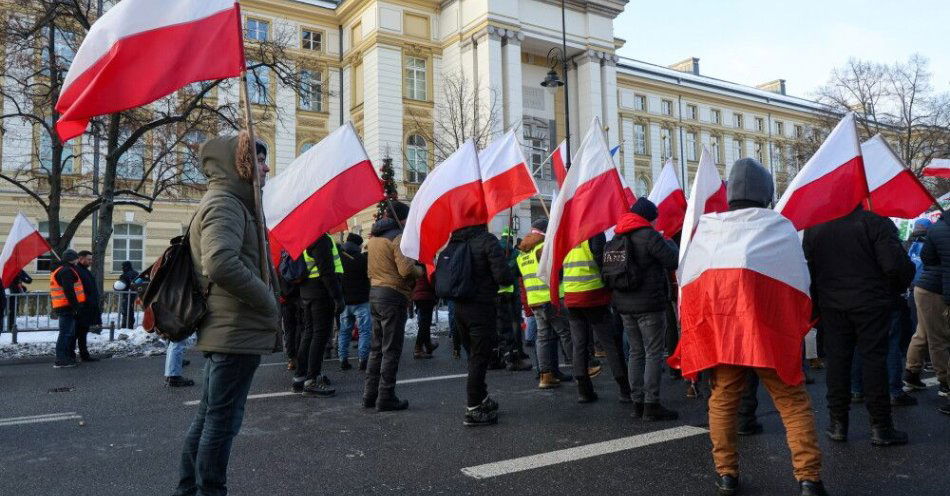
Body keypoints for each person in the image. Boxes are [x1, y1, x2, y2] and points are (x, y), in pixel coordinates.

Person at [670, 158, 826, 496]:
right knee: (792, 401)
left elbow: (688, 283)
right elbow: (800, 280)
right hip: (768, 334)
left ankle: (726, 474)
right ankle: (809, 479)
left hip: (722, 335)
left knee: (723, 400)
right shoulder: (779, 227)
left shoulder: (708, 230)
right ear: (766, 193)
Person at [173, 136, 279, 496]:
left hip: (232, 329)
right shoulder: (226, 203)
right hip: (235, 329)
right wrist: (267, 299)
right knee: (221, 423)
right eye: (260, 160)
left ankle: (189, 489)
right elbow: (219, 262)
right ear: (242, 166)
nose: (266, 168)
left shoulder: (232, 202)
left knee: (209, 418)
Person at [804, 204, 915, 447]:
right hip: (871, 303)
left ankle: (838, 424)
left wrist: (816, 306)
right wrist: (893, 290)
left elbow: (808, 271)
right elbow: (896, 265)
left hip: (832, 304)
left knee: (838, 363)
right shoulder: (875, 222)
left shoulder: (815, 228)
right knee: (874, 361)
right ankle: (880, 427)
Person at [610, 197, 680, 421]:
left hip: (624, 305)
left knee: (635, 352)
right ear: (648, 218)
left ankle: (637, 402)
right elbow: (673, 260)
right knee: (653, 353)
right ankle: (652, 403)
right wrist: (665, 239)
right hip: (649, 304)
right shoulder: (649, 235)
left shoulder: (616, 237)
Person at [449, 223, 514, 426]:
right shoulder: (487, 240)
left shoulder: (454, 243)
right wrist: (507, 266)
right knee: (480, 357)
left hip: (459, 307)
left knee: (473, 355)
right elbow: (503, 277)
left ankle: (482, 397)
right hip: (481, 306)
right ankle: (474, 407)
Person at [362, 201, 421, 411]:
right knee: (391, 349)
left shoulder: (375, 238)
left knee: (376, 348)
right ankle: (386, 396)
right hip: (393, 295)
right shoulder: (397, 236)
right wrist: (420, 270)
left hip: (375, 293)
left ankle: (370, 395)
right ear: (402, 218)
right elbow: (405, 270)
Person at [563, 233, 629, 403]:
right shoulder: (592, 232)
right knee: (610, 343)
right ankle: (624, 389)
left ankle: (583, 390)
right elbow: (602, 262)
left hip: (571, 294)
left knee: (579, 344)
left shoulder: (564, 233)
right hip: (593, 293)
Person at [516, 218, 574, 389]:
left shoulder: (522, 253)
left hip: (535, 301)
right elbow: (558, 271)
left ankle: (545, 375)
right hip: (550, 298)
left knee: (543, 337)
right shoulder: (542, 248)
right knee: (566, 333)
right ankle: (581, 369)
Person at [905, 215, 950, 406]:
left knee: (923, 333)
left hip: (924, 287)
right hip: (937, 290)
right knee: (939, 338)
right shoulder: (943, 230)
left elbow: (927, 257)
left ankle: (912, 372)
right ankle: (945, 382)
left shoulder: (937, 228)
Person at [294, 232, 344, 397]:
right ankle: (312, 379)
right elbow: (327, 271)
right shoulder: (320, 238)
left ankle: (301, 377)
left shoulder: (305, 236)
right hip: (321, 293)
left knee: (309, 333)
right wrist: (337, 297)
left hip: (308, 291)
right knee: (319, 336)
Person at [496, 229, 532, 371]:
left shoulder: (495, 250)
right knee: (515, 323)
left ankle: (502, 354)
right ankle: (518, 351)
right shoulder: (516, 253)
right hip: (513, 292)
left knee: (501, 326)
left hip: (498, 292)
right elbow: (520, 271)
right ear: (511, 238)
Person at [339, 233, 371, 370]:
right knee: (364, 331)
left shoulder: (339, 258)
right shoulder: (362, 259)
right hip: (362, 300)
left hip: (345, 301)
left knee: (344, 331)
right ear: (358, 245)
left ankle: (343, 359)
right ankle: (363, 359)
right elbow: (369, 276)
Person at [50, 250, 85, 368]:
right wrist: (76, 306)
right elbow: (69, 291)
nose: (78, 260)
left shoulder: (63, 269)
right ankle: (61, 359)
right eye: (76, 258)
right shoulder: (66, 271)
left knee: (67, 333)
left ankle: (66, 357)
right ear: (72, 259)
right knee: (65, 333)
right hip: (66, 306)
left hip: (65, 306)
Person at [72, 250, 102, 362]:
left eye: (91, 259)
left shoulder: (84, 271)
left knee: (82, 332)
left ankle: (84, 354)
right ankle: (73, 354)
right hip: (82, 307)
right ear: (80, 259)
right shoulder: (77, 271)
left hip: (87, 306)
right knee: (76, 332)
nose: (90, 261)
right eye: (88, 259)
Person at [411, 268, 439, 359]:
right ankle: (418, 349)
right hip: (426, 297)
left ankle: (428, 345)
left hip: (418, 297)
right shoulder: (428, 267)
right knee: (424, 324)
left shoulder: (415, 268)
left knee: (424, 323)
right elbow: (432, 283)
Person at [118, 261, 139, 329]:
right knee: (130, 310)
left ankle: (125, 326)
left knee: (125, 311)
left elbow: (120, 286)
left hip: (126, 295)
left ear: (125, 266)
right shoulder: (136, 273)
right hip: (134, 294)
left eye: (122, 266)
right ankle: (130, 325)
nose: (122, 268)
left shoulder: (124, 275)